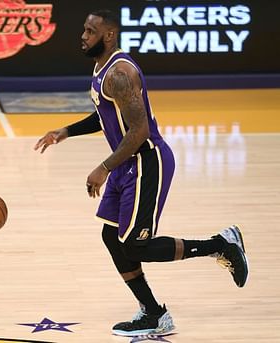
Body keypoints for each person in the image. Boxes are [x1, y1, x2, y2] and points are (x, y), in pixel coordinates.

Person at [33, 9, 248, 337]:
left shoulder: (119, 73)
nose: (83, 36)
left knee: (134, 244)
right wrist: (65, 131)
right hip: (127, 163)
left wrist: (103, 167)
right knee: (112, 236)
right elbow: (105, 116)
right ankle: (153, 313)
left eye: (90, 31)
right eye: (84, 29)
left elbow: (139, 131)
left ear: (108, 35)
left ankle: (221, 244)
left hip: (147, 161)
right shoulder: (101, 69)